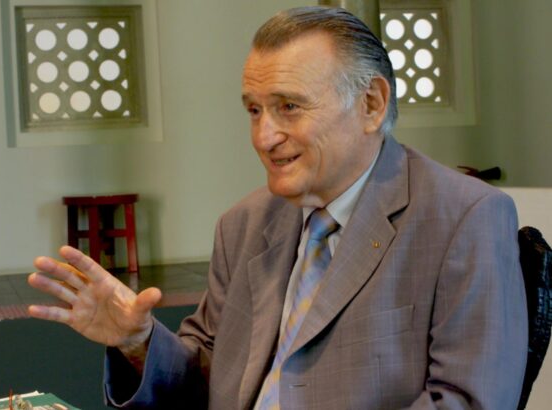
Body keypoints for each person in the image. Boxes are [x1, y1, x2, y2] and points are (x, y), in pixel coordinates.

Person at [28, 6, 528, 409]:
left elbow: (468, 400)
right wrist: (138, 341)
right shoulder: (243, 225)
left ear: (372, 104)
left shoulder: (465, 217)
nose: (265, 136)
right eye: (254, 110)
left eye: (289, 106)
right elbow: (203, 378)